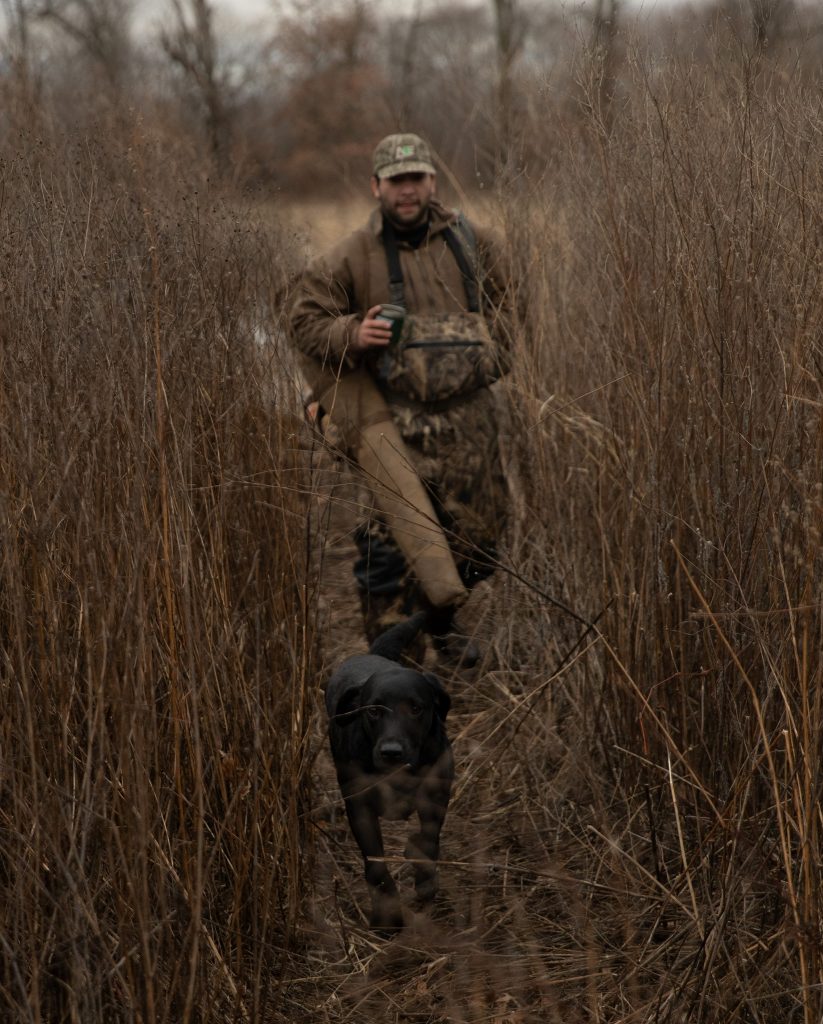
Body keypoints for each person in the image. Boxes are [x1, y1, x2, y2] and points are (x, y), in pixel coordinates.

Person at [290, 133, 511, 666]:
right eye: (396, 180)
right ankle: (396, 673)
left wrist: (487, 358)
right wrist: (353, 336)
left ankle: (441, 622)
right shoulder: (350, 255)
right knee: (388, 555)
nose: (407, 190)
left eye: (416, 178)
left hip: (472, 426)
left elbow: (514, 314)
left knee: (478, 547)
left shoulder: (477, 244)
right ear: (376, 187)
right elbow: (303, 321)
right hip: (391, 428)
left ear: (432, 180)